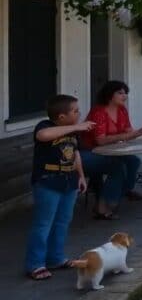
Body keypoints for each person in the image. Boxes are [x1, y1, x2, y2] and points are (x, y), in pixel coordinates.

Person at [24, 95, 92, 280]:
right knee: (43, 223)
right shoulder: (45, 126)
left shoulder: (72, 132)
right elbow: (42, 136)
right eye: (75, 111)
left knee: (63, 221)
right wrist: (77, 127)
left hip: (69, 180)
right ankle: (35, 264)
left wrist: (81, 176)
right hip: (48, 181)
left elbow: (75, 153)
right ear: (62, 117)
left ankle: (56, 257)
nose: (79, 114)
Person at [81, 80, 142, 216]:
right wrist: (137, 133)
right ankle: (105, 204)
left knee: (134, 160)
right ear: (109, 95)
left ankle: (121, 192)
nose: (125, 96)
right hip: (89, 151)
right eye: (120, 93)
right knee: (117, 166)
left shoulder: (122, 110)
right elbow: (100, 140)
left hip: (112, 150)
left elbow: (130, 132)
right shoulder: (98, 112)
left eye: (125, 93)